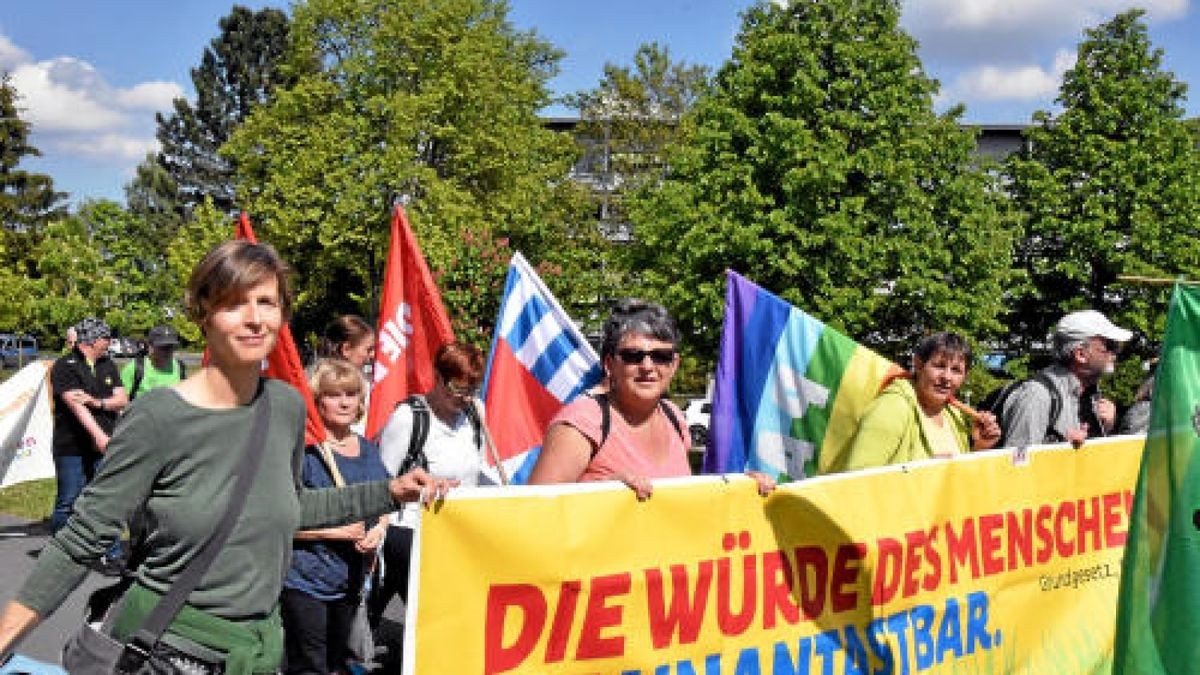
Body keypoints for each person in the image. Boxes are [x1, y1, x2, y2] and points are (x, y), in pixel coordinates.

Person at [0, 240, 453, 673]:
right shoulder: (158, 417)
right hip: (164, 651)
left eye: (267, 302)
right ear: (203, 313)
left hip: (255, 652)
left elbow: (286, 507)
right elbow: (81, 540)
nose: (254, 319)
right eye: (235, 303)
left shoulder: (286, 406)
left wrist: (390, 492)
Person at [527, 299, 774, 500]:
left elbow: (682, 500)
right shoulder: (582, 423)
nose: (648, 366)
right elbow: (532, 514)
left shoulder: (674, 417)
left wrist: (739, 491)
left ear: (674, 364)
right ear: (610, 364)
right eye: (633, 356)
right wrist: (599, 497)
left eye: (661, 356)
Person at [282, 358, 389, 674]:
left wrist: (378, 530)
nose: (344, 402)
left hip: (350, 581)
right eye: (333, 394)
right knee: (310, 665)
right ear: (317, 400)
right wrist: (335, 532)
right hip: (304, 580)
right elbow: (278, 519)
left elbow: (384, 501)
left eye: (351, 394)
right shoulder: (303, 452)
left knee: (338, 663)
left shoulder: (368, 449)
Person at [371, 342, 486, 629]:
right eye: (457, 389)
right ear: (437, 376)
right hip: (409, 529)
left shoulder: (475, 415)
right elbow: (382, 482)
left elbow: (476, 470)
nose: (464, 398)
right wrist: (425, 487)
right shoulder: (409, 418)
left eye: (471, 390)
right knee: (434, 614)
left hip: (455, 531)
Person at [833, 332, 1002, 472]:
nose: (946, 377)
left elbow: (955, 480)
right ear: (919, 365)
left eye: (956, 370)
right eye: (939, 366)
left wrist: (979, 448)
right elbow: (858, 479)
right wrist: (924, 473)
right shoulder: (891, 407)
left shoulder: (955, 415)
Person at [998, 310, 1131, 448]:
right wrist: (1061, 449)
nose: (1115, 353)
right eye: (1110, 346)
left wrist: (1108, 428)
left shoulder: (1091, 395)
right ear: (1080, 355)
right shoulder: (1037, 395)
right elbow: (1018, 462)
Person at [48, 317, 128, 533]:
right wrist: (98, 436)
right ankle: (60, 549)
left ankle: (111, 554)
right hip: (72, 447)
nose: (110, 342)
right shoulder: (64, 366)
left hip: (104, 446)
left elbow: (122, 399)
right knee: (68, 500)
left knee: (106, 501)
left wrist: (97, 402)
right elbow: (76, 406)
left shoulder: (107, 364)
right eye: (106, 338)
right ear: (92, 340)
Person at [321, 315, 376, 434]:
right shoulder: (319, 382)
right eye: (368, 349)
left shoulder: (369, 380)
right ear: (346, 349)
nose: (373, 355)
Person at [121, 324, 187, 400]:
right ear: (150, 346)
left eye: (171, 347)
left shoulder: (179, 367)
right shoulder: (134, 368)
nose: (168, 351)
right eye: (163, 347)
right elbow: (122, 403)